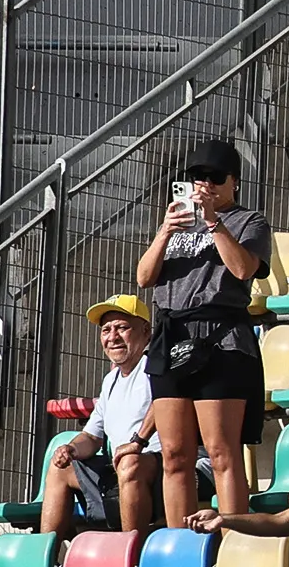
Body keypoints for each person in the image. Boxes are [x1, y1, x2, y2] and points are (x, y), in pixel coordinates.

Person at [132, 140, 270, 529]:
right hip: (172, 333)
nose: (205, 184)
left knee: (222, 451)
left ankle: (235, 538)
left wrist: (214, 222)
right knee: (175, 454)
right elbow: (144, 277)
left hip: (220, 337)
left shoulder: (249, 221)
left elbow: (244, 270)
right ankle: (182, 546)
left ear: (234, 182)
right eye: (197, 177)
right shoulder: (176, 223)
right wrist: (163, 232)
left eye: (215, 177)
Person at [42, 293, 160, 536]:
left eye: (122, 328)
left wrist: (136, 444)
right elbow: (92, 437)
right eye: (106, 330)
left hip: (160, 466)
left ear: (146, 331)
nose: (112, 337)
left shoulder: (156, 367)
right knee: (60, 466)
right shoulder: (110, 380)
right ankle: (49, 562)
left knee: (129, 463)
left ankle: (132, 557)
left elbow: (164, 408)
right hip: (122, 468)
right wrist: (71, 450)